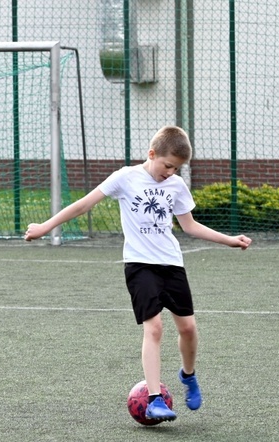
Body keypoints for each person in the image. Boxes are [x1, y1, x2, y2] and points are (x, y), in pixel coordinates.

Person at [24, 126, 252, 422]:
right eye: (168, 165)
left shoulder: (177, 186)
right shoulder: (125, 177)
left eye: (177, 168)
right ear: (151, 154)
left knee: (188, 329)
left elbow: (190, 226)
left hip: (171, 264)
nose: (171, 172)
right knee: (154, 327)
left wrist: (229, 240)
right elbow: (83, 205)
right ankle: (155, 399)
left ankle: (188, 375)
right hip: (139, 265)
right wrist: (45, 227)